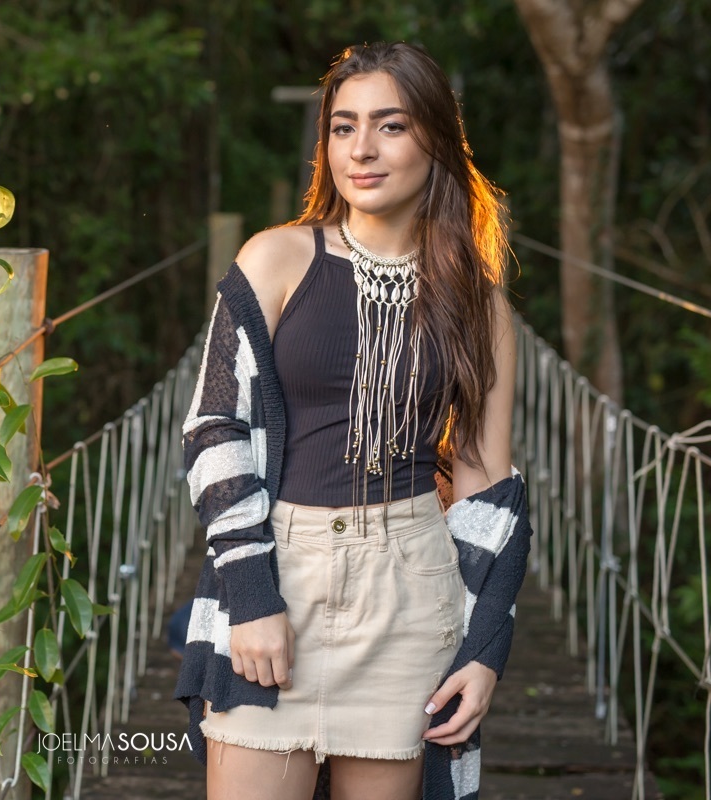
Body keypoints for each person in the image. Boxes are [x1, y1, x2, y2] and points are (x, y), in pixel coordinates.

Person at [173, 42, 532, 800]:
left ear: (436, 140)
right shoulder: (276, 259)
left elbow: (487, 487)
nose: (361, 149)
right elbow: (214, 428)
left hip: (412, 590)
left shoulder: (478, 302)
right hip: (281, 570)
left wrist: (485, 647)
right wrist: (252, 596)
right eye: (343, 127)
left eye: (390, 126)